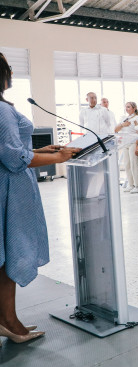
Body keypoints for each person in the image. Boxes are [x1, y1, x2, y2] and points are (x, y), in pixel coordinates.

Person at [0, 52, 80, 343]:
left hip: (6, 184)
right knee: (10, 253)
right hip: (10, 189)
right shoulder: (2, 109)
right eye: (9, 68)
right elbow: (12, 157)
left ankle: (5, 318)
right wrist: (58, 157)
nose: (12, 73)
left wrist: (42, 151)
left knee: (5, 253)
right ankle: (9, 321)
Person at [116, 101, 138, 193]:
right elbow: (115, 129)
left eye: (129, 107)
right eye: (126, 107)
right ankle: (131, 184)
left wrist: (137, 145)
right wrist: (123, 124)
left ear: (134, 108)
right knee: (127, 164)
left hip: (133, 143)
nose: (126, 108)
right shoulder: (124, 118)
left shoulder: (137, 118)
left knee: (134, 164)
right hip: (125, 143)